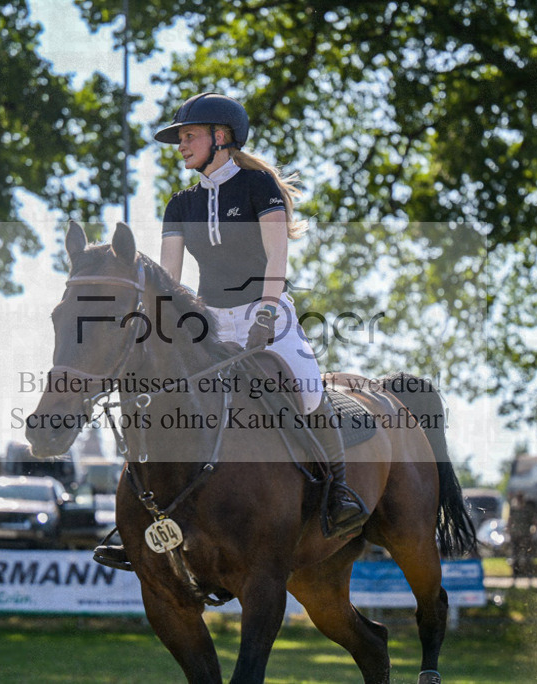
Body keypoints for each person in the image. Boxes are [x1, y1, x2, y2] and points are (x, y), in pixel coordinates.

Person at [94, 93, 368, 570]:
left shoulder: (257, 186)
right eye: (179, 138)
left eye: (189, 136)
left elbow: (277, 254)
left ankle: (338, 493)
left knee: (304, 389)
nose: (181, 145)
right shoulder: (180, 204)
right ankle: (138, 519)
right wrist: (163, 328)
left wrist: (266, 311)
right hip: (209, 318)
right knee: (159, 398)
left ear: (221, 137)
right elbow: (173, 278)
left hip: (267, 308)